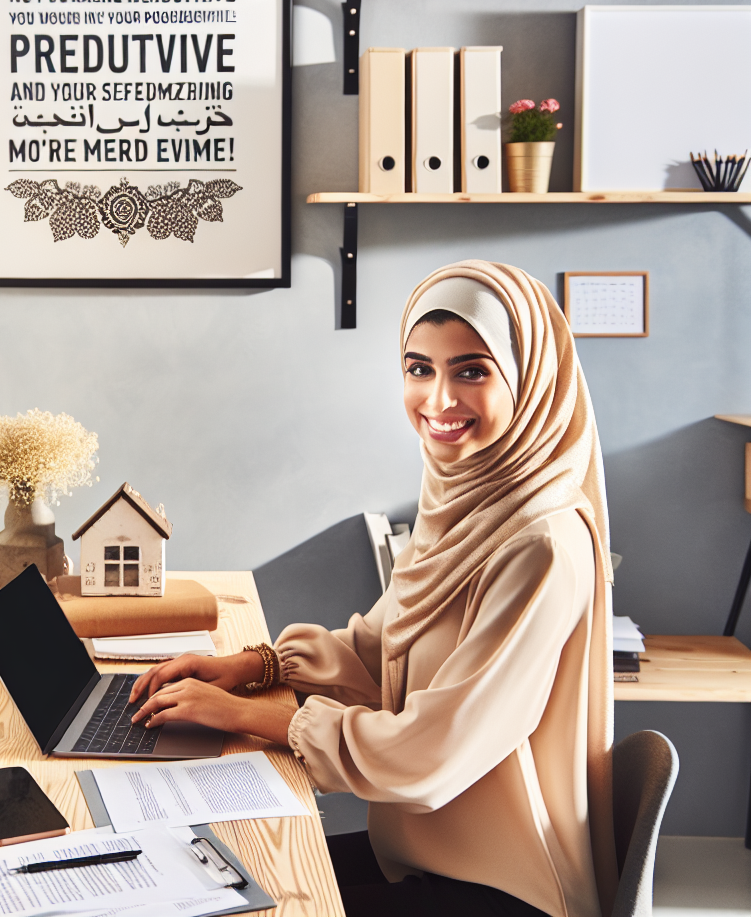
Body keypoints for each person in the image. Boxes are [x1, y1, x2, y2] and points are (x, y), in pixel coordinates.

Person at [129, 260, 617, 917]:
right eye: (420, 369)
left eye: (471, 370)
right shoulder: (469, 504)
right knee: (210, 875)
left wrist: (250, 715)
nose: (438, 400)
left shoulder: (541, 544)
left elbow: (434, 751)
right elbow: (375, 651)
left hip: (502, 885)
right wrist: (245, 667)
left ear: (529, 380)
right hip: (422, 854)